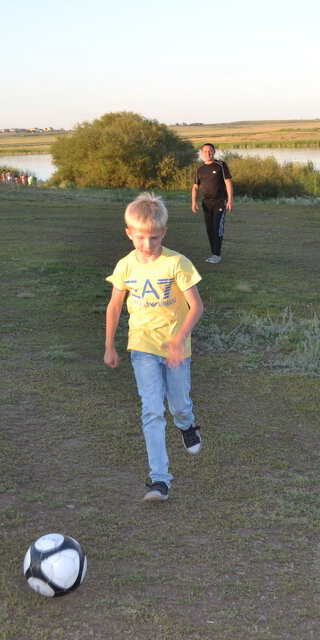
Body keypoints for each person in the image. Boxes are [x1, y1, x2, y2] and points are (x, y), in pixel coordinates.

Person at [105, 192, 206, 502]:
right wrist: (110, 345)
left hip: (176, 347)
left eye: (153, 237)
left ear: (163, 232)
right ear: (129, 234)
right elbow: (114, 306)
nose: (147, 244)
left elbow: (196, 307)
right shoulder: (125, 266)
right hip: (142, 345)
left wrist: (178, 340)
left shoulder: (177, 262)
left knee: (178, 404)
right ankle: (159, 480)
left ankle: (187, 424)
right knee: (151, 410)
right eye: (140, 237)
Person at [190, 143, 233, 264]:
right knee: (209, 229)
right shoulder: (200, 169)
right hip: (206, 203)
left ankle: (217, 255)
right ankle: (213, 253)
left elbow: (228, 183)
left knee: (217, 227)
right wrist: (194, 202)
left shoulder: (221, 165)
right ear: (202, 153)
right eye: (205, 151)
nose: (208, 153)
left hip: (220, 202)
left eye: (210, 151)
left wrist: (230, 200)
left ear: (214, 152)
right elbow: (195, 187)